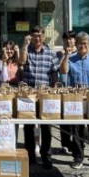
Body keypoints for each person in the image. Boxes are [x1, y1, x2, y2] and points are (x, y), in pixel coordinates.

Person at [60, 31, 89, 170]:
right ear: (76, 44)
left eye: (85, 43)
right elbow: (63, 71)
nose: (82, 46)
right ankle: (78, 157)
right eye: (80, 43)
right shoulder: (70, 59)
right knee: (77, 131)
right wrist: (66, 55)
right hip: (76, 101)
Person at [18, 25, 59, 169]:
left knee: (46, 126)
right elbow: (21, 62)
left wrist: (54, 90)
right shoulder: (26, 50)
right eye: (35, 35)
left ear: (44, 36)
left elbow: (54, 73)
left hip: (45, 95)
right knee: (28, 126)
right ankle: (30, 155)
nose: (38, 38)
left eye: (40, 35)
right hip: (28, 94)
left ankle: (46, 156)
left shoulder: (51, 53)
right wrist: (25, 45)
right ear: (31, 36)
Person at [57, 30, 76, 155]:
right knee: (63, 119)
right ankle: (65, 144)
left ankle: (75, 145)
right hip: (61, 90)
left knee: (74, 119)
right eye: (66, 39)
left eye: (71, 39)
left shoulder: (78, 54)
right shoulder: (59, 54)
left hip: (74, 91)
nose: (69, 41)